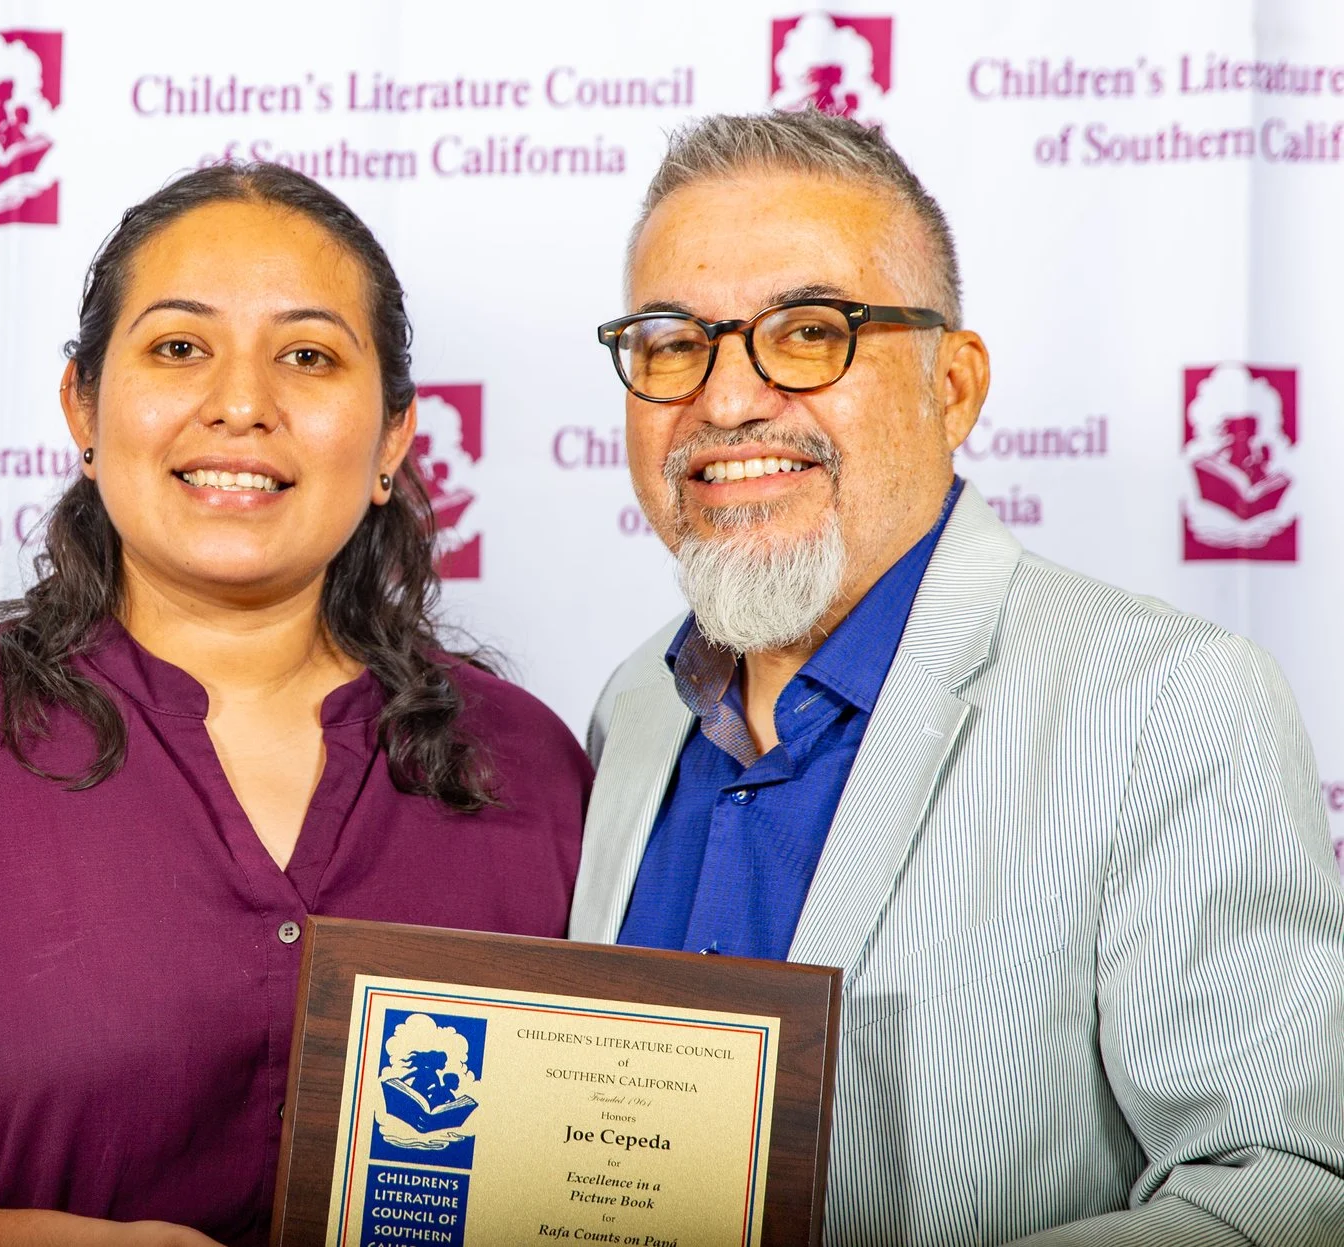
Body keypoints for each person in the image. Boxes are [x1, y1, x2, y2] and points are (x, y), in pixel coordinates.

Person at [0, 161, 590, 1247]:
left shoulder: (534, 774)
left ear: (395, 441)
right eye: (178, 348)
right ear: (82, 405)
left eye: (308, 356)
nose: (239, 403)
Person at [574, 109, 1344, 1244]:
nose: (726, 399)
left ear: (953, 385)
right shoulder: (633, 706)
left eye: (806, 330)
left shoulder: (1168, 704)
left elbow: (1283, 1187)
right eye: (672, 342)